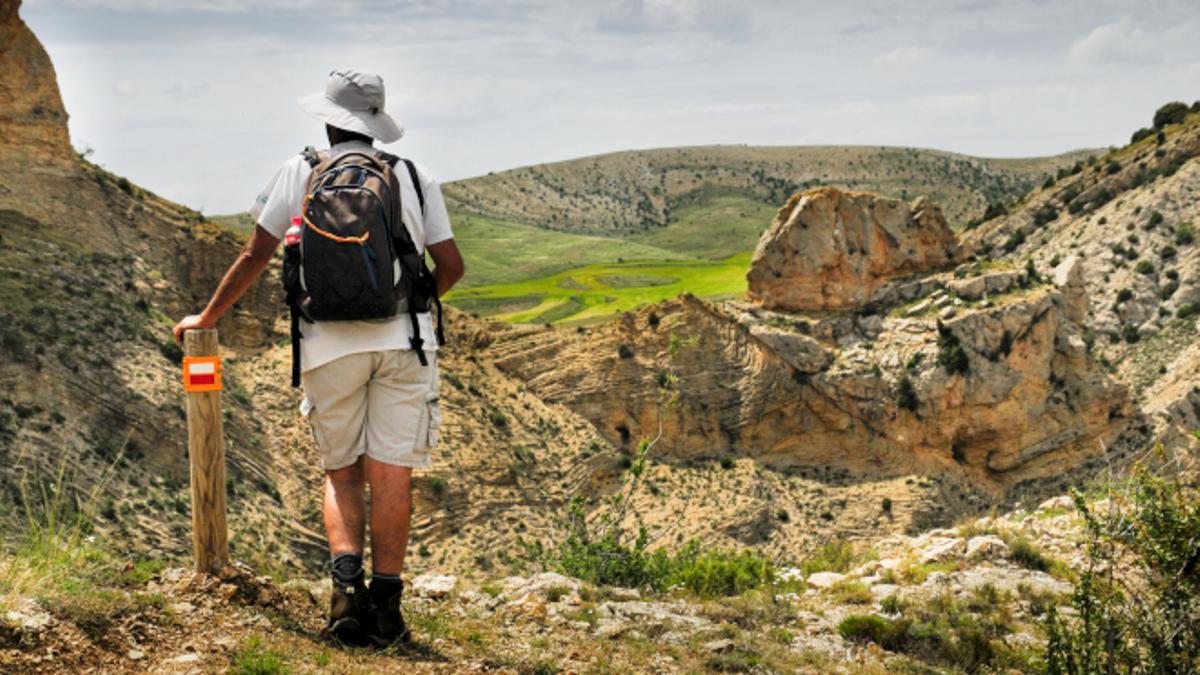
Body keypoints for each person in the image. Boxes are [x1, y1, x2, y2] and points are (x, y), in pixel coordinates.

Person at [172, 69, 464, 647]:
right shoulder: (413, 175)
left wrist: (206, 319)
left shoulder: (299, 171)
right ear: (376, 125)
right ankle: (388, 606)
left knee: (342, 473)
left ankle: (344, 598)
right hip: (404, 342)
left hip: (326, 344)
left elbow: (258, 252)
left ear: (329, 121)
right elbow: (451, 266)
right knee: (391, 473)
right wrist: (412, 305)